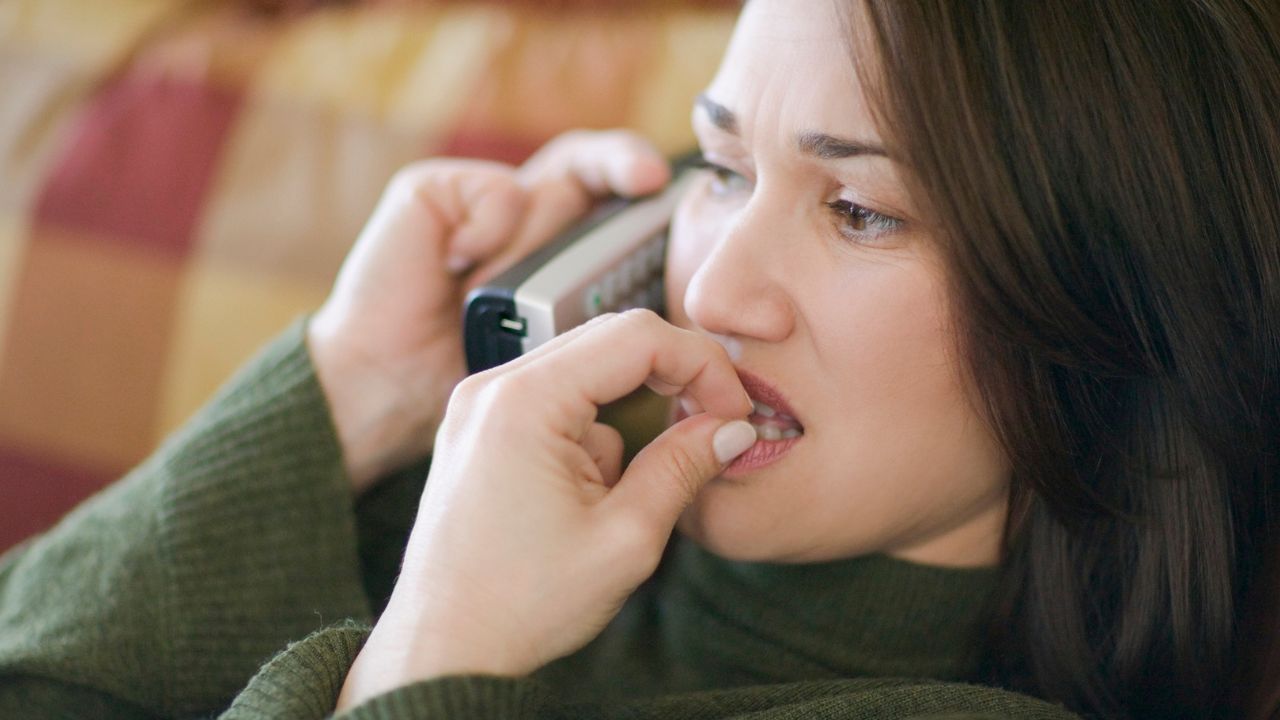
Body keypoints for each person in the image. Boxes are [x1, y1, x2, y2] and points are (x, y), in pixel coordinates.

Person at [1, 0, 1277, 718]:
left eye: (859, 210)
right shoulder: (458, 495)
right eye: (720, 168)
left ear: (1109, 295)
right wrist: (352, 393)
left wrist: (436, 657)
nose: (714, 286)